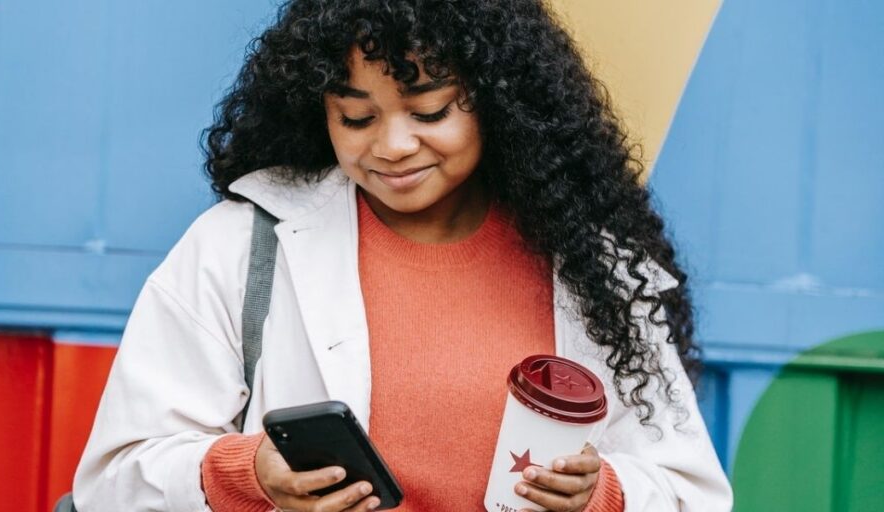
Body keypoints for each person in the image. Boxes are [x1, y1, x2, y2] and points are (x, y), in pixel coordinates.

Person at [73, 0, 732, 511]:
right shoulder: (238, 244)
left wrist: (604, 494)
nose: (391, 145)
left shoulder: (594, 267)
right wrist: (247, 475)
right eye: (356, 118)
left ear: (498, 102)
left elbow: (694, 494)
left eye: (430, 109)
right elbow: (112, 480)